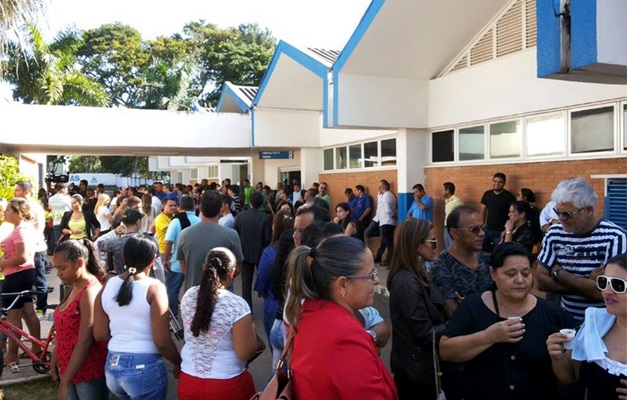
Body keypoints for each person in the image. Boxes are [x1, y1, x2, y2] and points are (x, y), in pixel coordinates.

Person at [439, 242, 576, 400]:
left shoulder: (551, 314)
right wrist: (489, 336)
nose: (520, 280)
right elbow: (446, 351)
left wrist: (557, 358)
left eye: (525, 273)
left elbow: (569, 377)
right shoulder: (473, 307)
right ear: (493, 273)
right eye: (511, 274)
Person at [285, 235, 398, 399]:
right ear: (343, 285)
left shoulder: (307, 311)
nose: (376, 280)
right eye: (370, 274)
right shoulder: (345, 337)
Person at [94, 234, 181, 400]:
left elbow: (99, 334)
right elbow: (162, 341)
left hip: (112, 367)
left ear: (124, 256)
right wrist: (178, 362)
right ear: (153, 260)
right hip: (144, 369)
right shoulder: (154, 288)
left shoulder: (108, 285)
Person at [536, 178, 627, 321]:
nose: (560, 218)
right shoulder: (554, 233)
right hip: (568, 320)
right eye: (557, 212)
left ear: (589, 210)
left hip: (605, 323)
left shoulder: (615, 237)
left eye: (567, 214)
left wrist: (559, 273)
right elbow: (541, 282)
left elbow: (608, 292)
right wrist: (586, 284)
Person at [177, 248, 259, 400]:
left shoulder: (188, 296)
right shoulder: (237, 305)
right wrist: (251, 332)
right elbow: (245, 353)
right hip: (227, 383)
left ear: (204, 268)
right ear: (232, 272)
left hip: (188, 380)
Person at [546, 253, 627, 400]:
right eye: (603, 282)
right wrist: (557, 357)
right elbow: (569, 376)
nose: (607, 291)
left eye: (618, 284)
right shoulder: (595, 324)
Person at [387, 218, 445, 399]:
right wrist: (458, 321)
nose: (436, 246)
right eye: (432, 242)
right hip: (415, 374)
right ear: (417, 245)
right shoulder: (406, 282)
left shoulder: (418, 274)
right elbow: (426, 333)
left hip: (420, 368)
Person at [51, 239, 109, 400]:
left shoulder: (90, 292)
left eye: (62, 268)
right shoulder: (75, 286)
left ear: (79, 263)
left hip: (87, 370)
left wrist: (65, 383)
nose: (58, 273)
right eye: (57, 268)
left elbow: (85, 340)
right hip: (70, 367)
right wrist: (56, 355)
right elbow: (65, 330)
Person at [0, 198, 41, 372]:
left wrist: (2, 263)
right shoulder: (23, 228)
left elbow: (22, 257)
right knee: (28, 311)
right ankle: (36, 348)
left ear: (17, 212)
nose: (5, 212)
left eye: (8, 210)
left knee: (13, 316)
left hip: (17, 275)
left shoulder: (21, 230)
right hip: (23, 275)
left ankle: (12, 355)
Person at [431, 206, 493, 320]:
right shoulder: (442, 265)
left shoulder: (488, 259)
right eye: (474, 229)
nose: (482, 234)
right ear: (455, 233)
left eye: (483, 228)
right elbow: (453, 313)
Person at [177, 190, 243, 291]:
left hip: (194, 292)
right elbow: (237, 266)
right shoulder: (231, 235)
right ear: (220, 209)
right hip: (223, 293)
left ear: (200, 207)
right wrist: (224, 280)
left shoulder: (184, 234)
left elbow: (183, 266)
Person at [253, 210, 294, 350]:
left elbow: (261, 283)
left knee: (276, 356)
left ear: (275, 227)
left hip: (273, 308)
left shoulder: (269, 253)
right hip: (296, 310)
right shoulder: (301, 252)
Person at [162, 195, 200, 318]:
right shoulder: (200, 221)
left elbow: (168, 242)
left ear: (179, 207)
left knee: (172, 291)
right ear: (194, 207)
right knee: (195, 292)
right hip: (195, 264)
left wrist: (165, 259)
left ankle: (172, 317)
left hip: (177, 263)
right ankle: (194, 316)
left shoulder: (175, 221)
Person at [234, 192, 273, 311]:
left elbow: (236, 236)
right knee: (265, 278)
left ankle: (247, 308)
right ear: (261, 203)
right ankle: (267, 302)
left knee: (246, 282)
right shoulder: (266, 218)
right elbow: (267, 239)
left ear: (249, 202)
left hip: (244, 252)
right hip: (260, 254)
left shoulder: (240, 217)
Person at [480, 172, 516, 253]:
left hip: (500, 231)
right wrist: (481, 226)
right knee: (481, 251)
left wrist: (506, 230)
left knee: (499, 253)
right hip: (487, 230)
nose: (497, 184)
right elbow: (483, 209)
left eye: (500, 182)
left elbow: (512, 214)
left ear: (504, 183)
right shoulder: (487, 194)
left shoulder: (509, 196)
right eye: (495, 181)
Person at [367, 180, 397, 267]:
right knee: (386, 241)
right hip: (383, 220)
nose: (378, 188)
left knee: (389, 243)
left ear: (383, 187)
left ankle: (391, 261)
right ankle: (387, 259)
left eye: (380, 187)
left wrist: (393, 214)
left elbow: (388, 210)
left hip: (386, 221)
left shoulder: (387, 196)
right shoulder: (385, 195)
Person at [442, 182, 464, 248]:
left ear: (447, 191)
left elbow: (463, 213)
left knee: (453, 246)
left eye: (443, 190)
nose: (442, 192)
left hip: (453, 228)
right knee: (447, 247)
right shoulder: (447, 201)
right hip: (446, 227)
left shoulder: (457, 201)